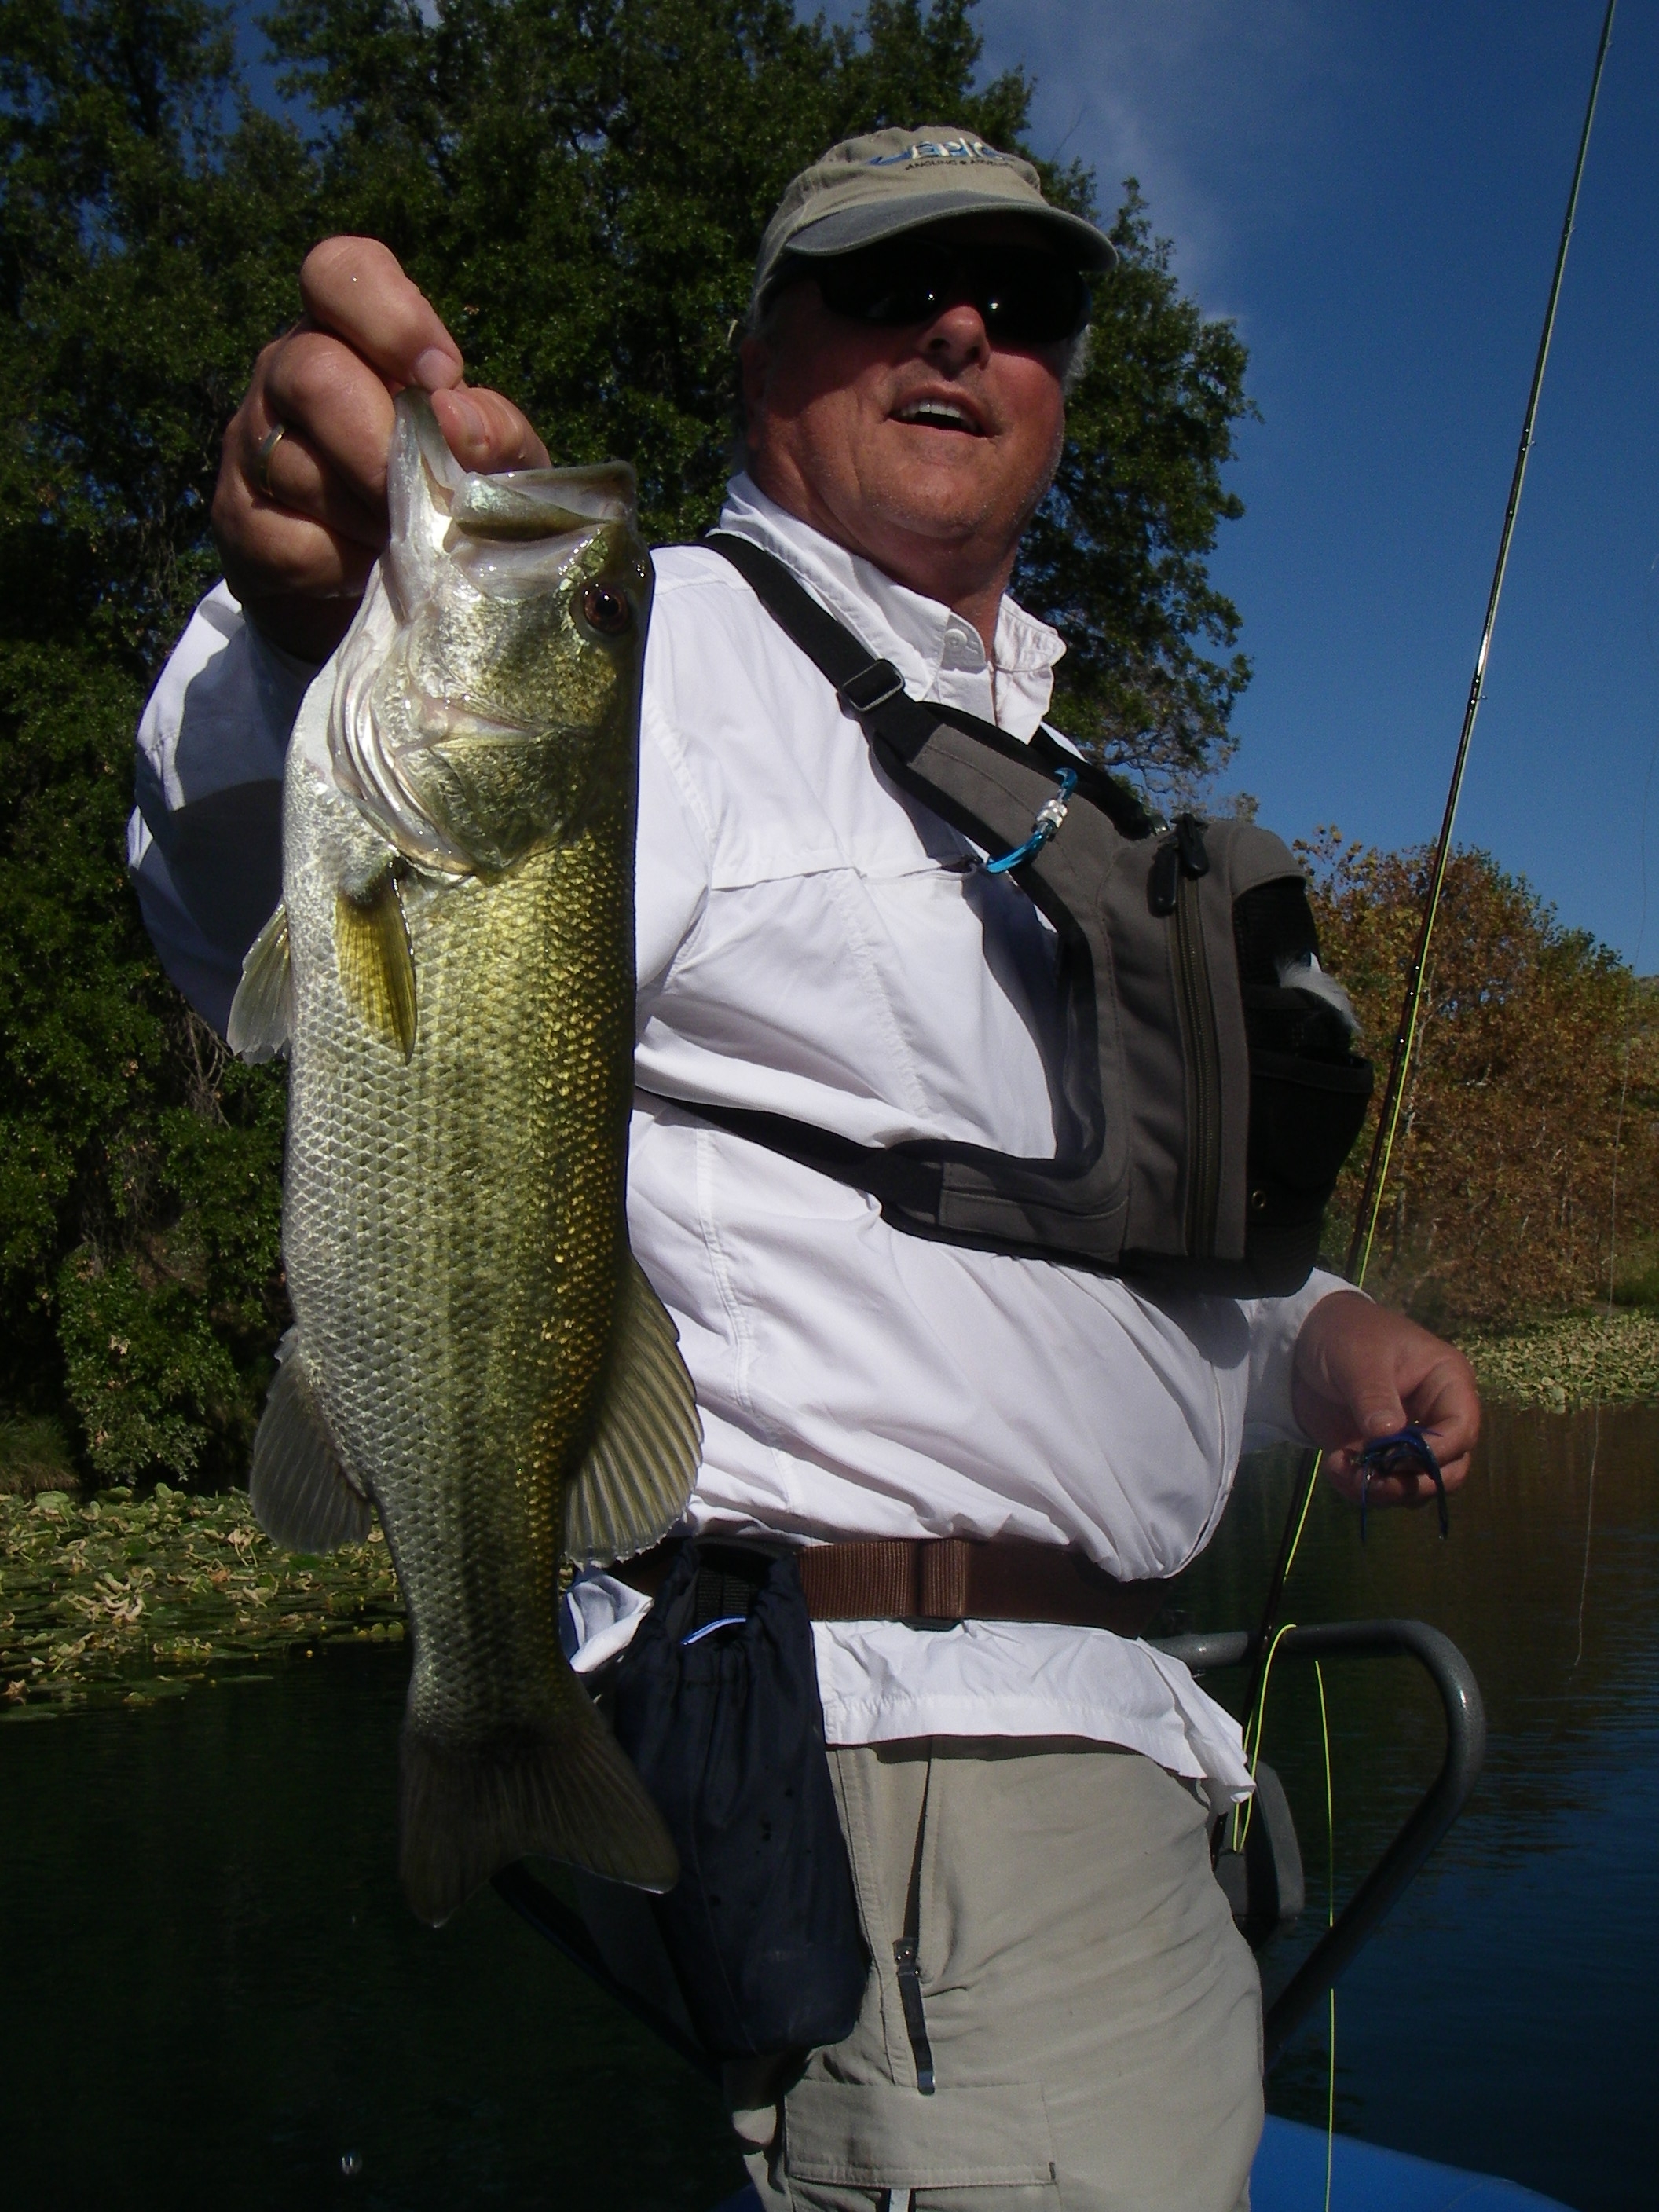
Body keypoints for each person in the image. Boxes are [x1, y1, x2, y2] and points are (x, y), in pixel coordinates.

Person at [131, 127, 1479, 2212]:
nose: (963, 326)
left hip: (1127, 1772)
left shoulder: (1083, 792)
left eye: (1022, 304)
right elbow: (280, 896)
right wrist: (297, 619)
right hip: (916, 1773)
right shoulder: (653, 648)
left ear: (1062, 389)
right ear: (766, 344)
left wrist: (1329, 1335)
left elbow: (1115, 1230)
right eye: (890, 281)